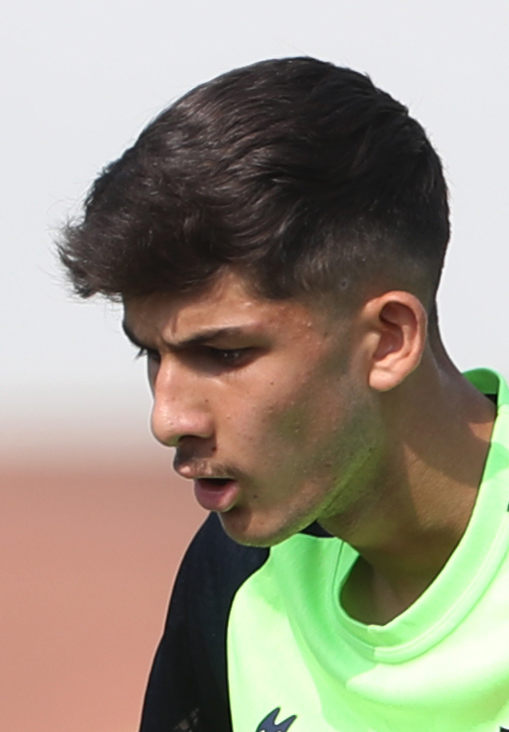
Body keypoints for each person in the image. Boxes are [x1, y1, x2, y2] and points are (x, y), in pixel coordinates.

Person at [58, 57, 509, 732]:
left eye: (225, 353)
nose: (167, 418)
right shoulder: (236, 577)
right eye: (150, 354)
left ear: (389, 340)